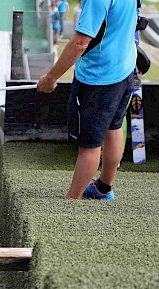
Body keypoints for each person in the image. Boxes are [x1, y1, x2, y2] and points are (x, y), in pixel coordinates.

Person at [37, 0, 139, 200]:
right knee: (114, 127)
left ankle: (71, 201)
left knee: (89, 145)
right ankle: (103, 188)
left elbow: (80, 43)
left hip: (99, 78)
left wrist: (51, 78)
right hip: (124, 71)